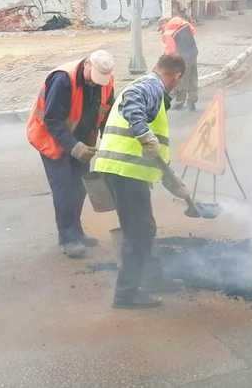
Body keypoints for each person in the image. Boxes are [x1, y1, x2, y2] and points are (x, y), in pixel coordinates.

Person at [93, 54, 191, 309]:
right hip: (124, 170)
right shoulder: (150, 86)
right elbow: (131, 105)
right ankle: (126, 294)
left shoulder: (152, 88)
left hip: (126, 170)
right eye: (178, 82)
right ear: (176, 75)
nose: (175, 87)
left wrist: (173, 184)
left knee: (144, 228)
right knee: (138, 232)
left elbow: (156, 153)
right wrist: (145, 135)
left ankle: (151, 279)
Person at [26, 50, 115, 258]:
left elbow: (106, 115)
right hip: (52, 140)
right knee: (64, 189)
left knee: (80, 187)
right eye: (92, 79)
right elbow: (52, 121)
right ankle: (67, 238)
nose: (95, 84)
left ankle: (77, 232)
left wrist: (107, 142)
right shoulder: (62, 80)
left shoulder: (105, 82)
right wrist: (74, 147)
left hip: (82, 140)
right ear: (87, 65)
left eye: (100, 81)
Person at [158, 16, 199, 111]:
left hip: (183, 56)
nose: (162, 31)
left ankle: (180, 102)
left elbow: (170, 51)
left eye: (161, 28)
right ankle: (192, 101)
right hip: (193, 51)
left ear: (164, 23)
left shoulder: (168, 32)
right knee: (193, 76)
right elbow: (193, 32)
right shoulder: (182, 22)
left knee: (181, 79)